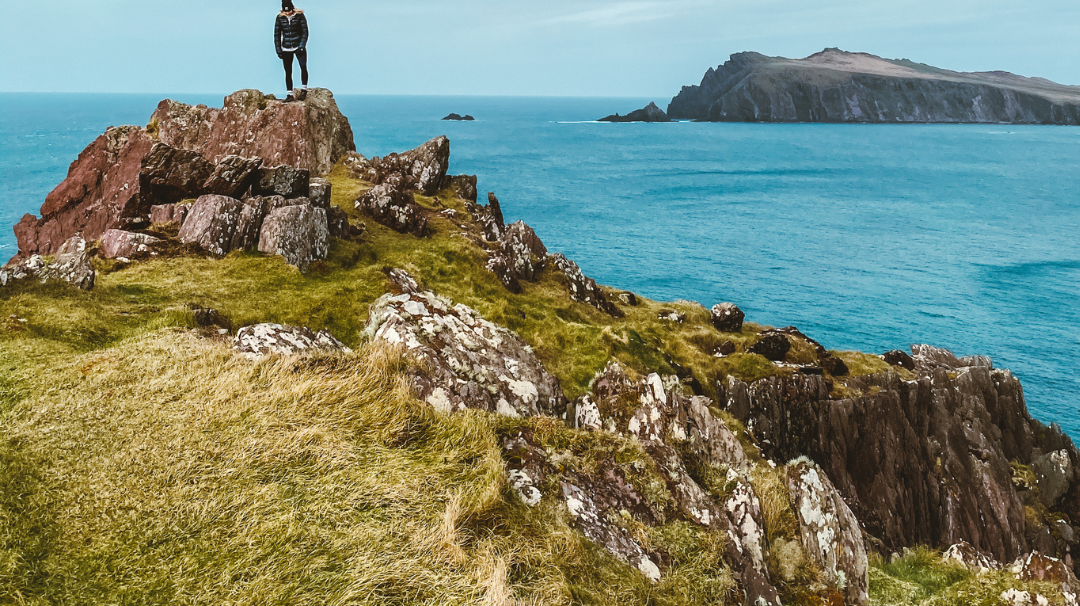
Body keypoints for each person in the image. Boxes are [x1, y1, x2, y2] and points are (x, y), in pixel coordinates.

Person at [275, 0, 309, 102]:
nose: (288, 13)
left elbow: (305, 32)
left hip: (298, 46)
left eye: (289, 11)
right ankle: (289, 94)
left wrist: (301, 46)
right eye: (286, 11)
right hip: (286, 48)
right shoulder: (279, 18)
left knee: (303, 66)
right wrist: (278, 49)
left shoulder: (300, 16)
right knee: (288, 71)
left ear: (292, 8)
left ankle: (304, 89)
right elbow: (277, 35)